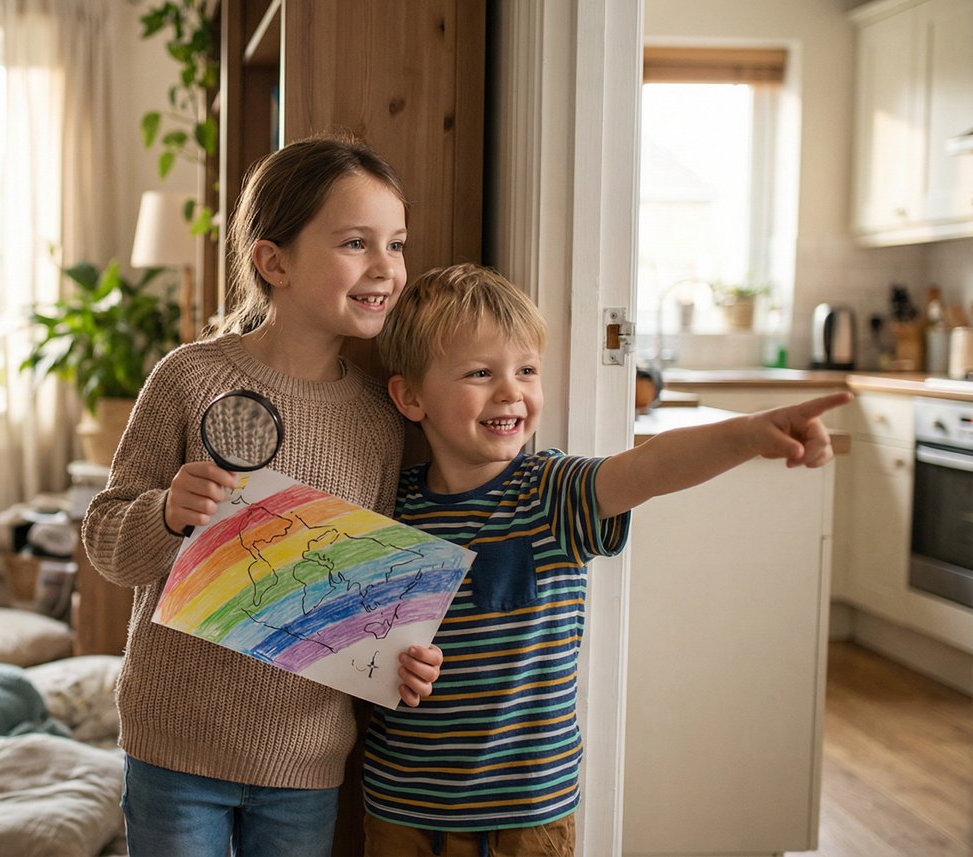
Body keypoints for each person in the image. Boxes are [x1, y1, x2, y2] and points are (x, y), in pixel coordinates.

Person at [363, 262, 849, 856]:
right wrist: (391, 663)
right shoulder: (389, 508)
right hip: (402, 804)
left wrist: (747, 433)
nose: (512, 392)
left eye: (526, 370)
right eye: (481, 373)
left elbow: (649, 467)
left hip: (529, 811)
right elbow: (358, 641)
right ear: (411, 397)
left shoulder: (550, 493)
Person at [81, 134, 445, 857]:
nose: (386, 268)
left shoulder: (382, 418)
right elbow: (105, 540)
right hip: (174, 743)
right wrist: (165, 513)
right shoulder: (188, 378)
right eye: (356, 243)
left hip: (306, 757)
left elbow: (366, 593)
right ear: (274, 262)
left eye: (396, 244)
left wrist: (404, 653)